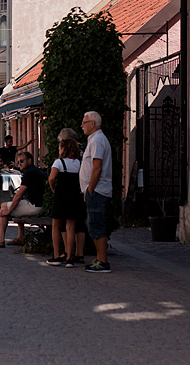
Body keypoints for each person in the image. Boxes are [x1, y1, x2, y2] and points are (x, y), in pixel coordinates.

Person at [0, 151, 46, 248]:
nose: (19, 164)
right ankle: (20, 237)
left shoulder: (29, 173)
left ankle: (1, 240)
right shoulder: (36, 171)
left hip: (34, 205)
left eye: (22, 161)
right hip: (40, 204)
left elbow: (19, 195)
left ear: (30, 160)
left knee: (4, 207)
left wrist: (8, 211)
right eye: (18, 162)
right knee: (16, 205)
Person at [46, 129, 85, 267]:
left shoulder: (59, 162)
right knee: (71, 227)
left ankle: (56, 255)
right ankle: (70, 258)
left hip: (61, 195)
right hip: (74, 196)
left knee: (56, 226)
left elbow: (51, 178)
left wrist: (53, 189)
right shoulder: (79, 163)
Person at [81, 111, 113, 273]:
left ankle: (103, 261)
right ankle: (100, 258)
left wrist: (90, 189)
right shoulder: (95, 139)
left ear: (92, 123)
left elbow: (97, 166)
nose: (82, 126)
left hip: (97, 190)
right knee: (94, 224)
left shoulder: (97, 140)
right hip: (96, 189)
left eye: (84, 123)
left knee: (95, 225)